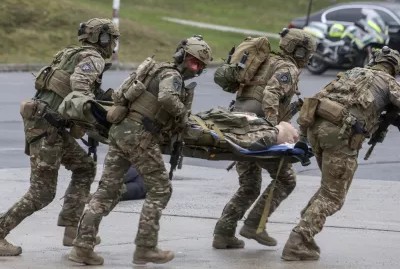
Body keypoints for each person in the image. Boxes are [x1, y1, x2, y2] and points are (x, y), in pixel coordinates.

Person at [68, 35, 213, 266]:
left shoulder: (156, 70)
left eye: (200, 66)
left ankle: (82, 247)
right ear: (183, 58)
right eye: (194, 63)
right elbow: (166, 97)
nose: (195, 69)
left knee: (107, 191)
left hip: (120, 132)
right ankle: (146, 247)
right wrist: (183, 116)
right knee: (160, 190)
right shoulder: (171, 75)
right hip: (138, 136)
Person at [0, 18, 120, 256]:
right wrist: (92, 116)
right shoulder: (93, 58)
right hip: (47, 127)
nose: (114, 45)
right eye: (112, 39)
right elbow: (79, 85)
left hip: (47, 124)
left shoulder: (69, 53)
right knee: (42, 192)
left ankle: (70, 227)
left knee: (85, 167)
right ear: (103, 38)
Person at [281, 46, 400, 261]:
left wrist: (303, 138)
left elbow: (315, 99)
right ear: (394, 68)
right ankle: (298, 239)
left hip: (315, 130)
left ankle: (305, 233)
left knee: (328, 188)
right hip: (341, 136)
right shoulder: (390, 83)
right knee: (333, 195)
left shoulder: (352, 73)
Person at [213, 28, 316, 249]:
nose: (308, 58)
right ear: (299, 51)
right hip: (257, 129)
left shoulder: (265, 61)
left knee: (249, 185)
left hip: (237, 124)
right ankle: (254, 225)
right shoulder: (287, 67)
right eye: (307, 53)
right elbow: (270, 94)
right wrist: (272, 127)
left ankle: (223, 233)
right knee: (286, 180)